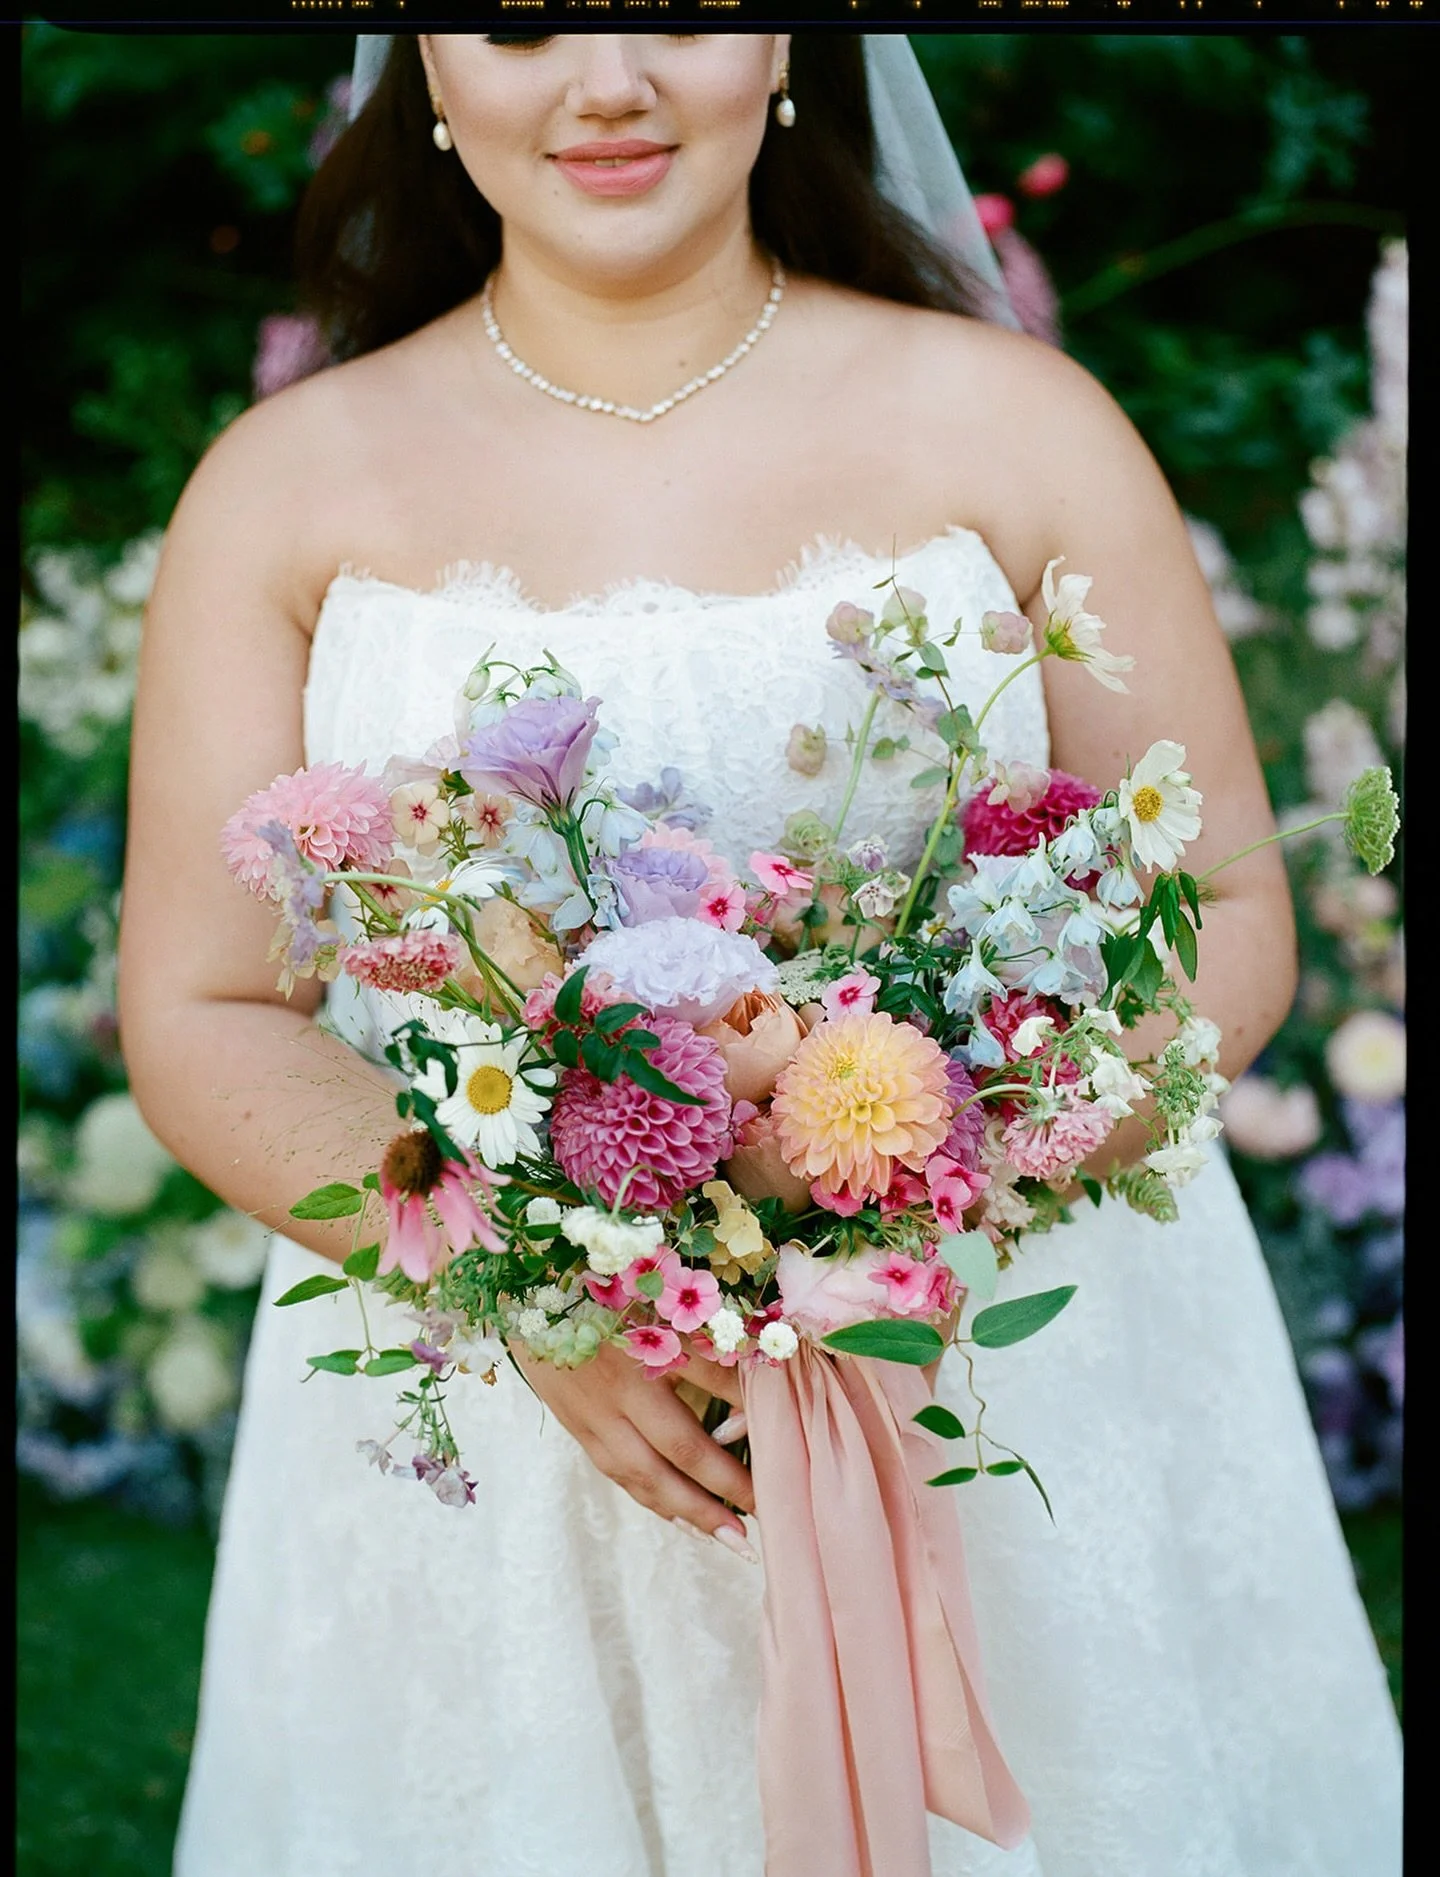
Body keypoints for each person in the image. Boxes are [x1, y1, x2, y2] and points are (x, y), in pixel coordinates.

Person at [117, 31, 1401, 1877]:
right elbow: (204, 1003)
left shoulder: (1017, 425)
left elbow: (1235, 910)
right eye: (530, 23)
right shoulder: (283, 488)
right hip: (515, 1434)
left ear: (789, 40)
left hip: (996, 1368)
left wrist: (927, 1167)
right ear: (425, 63)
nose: (610, 80)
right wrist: (542, 1297)